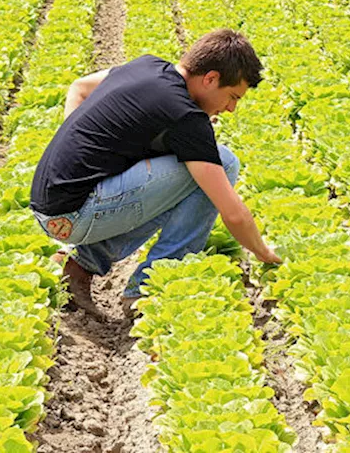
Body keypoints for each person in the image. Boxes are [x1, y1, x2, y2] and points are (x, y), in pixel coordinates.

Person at [30, 29, 281, 317]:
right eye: (232, 96)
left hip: (49, 206)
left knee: (184, 167)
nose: (232, 108)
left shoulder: (146, 66)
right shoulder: (185, 116)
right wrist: (264, 254)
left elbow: (79, 87)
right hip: (74, 217)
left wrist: (76, 146)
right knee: (223, 163)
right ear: (210, 79)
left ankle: (79, 266)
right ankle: (148, 288)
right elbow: (233, 213)